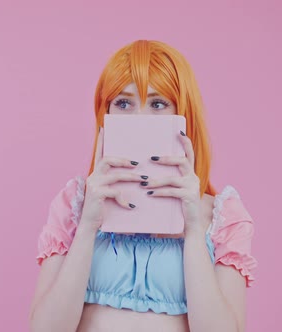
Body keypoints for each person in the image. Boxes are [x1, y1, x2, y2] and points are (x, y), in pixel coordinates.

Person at [29, 40, 258, 332]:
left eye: (158, 103)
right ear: (105, 114)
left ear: (183, 112)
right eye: (123, 103)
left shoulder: (223, 216)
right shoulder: (73, 204)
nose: (140, 118)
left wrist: (192, 230)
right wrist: (87, 225)